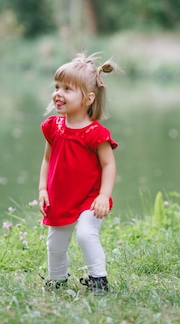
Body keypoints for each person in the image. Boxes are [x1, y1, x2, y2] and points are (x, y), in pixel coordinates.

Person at [38, 52, 120, 295]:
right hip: (60, 197)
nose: (58, 93)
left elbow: (109, 165)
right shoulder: (53, 126)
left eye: (67, 89)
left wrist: (104, 196)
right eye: (56, 87)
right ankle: (57, 280)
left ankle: (98, 280)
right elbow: (46, 159)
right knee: (55, 243)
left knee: (86, 234)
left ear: (88, 98)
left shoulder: (95, 133)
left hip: (90, 198)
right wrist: (43, 188)